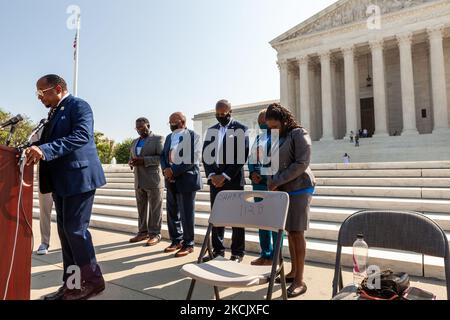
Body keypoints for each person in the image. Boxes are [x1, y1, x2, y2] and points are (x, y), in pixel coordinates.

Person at [25, 74, 106, 300]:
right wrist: (32, 147)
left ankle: (92, 280)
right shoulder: (53, 113)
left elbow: (81, 135)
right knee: (66, 234)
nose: (39, 98)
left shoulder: (79, 106)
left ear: (57, 88)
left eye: (42, 92)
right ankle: (71, 284)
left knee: (76, 231)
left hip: (79, 178)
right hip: (61, 181)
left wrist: (45, 150)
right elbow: (50, 141)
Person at [265, 103, 316, 299]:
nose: (273, 130)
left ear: (284, 120)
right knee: (290, 231)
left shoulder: (298, 133)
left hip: (300, 187)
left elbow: (302, 162)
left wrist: (277, 180)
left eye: (275, 125)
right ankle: (293, 272)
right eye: (270, 127)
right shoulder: (282, 136)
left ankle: (299, 280)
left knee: (297, 232)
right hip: (285, 188)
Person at [202, 100, 249, 263]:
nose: (220, 116)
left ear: (230, 112)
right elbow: (206, 156)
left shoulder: (241, 129)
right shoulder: (211, 131)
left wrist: (225, 176)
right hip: (215, 181)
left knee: (237, 218)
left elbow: (241, 156)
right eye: (218, 114)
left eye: (223, 113)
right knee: (217, 217)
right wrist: (213, 175)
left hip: (234, 180)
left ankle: (237, 252)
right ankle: (218, 251)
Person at [161, 112, 202, 257]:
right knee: (172, 212)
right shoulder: (168, 138)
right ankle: (176, 240)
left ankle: (188, 243)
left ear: (182, 121)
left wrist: (173, 171)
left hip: (187, 179)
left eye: (173, 122)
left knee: (186, 213)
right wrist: (166, 171)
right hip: (170, 180)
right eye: (169, 122)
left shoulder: (193, 136)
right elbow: (163, 156)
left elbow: (192, 158)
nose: (171, 125)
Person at [248, 110, 283, 266]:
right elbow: (252, 158)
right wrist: (252, 172)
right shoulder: (258, 138)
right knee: (262, 221)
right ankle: (265, 254)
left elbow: (276, 162)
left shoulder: (279, 137)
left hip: (272, 185)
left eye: (264, 121)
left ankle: (276, 256)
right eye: (259, 121)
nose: (262, 124)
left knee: (274, 223)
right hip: (258, 185)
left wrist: (262, 174)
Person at [128, 118, 165, 247]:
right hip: (139, 180)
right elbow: (132, 156)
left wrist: (144, 160)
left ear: (148, 125)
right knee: (141, 208)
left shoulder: (158, 138)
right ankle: (142, 232)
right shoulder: (134, 142)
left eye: (142, 127)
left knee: (155, 209)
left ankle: (155, 234)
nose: (139, 130)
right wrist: (131, 162)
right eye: (137, 128)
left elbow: (162, 158)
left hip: (153, 180)